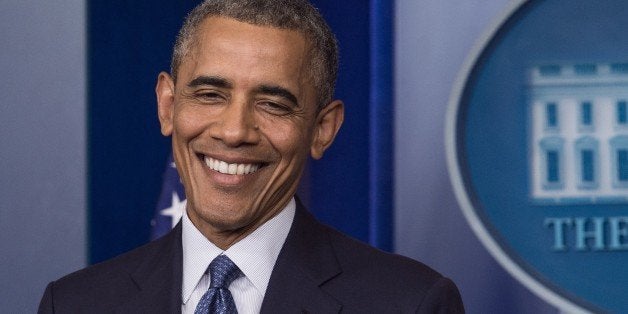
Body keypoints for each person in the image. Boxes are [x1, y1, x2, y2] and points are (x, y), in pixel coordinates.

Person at [38, 0, 464, 313]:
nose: (234, 131)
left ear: (322, 129)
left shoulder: (411, 304)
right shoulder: (74, 303)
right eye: (209, 95)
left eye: (273, 104)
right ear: (167, 106)